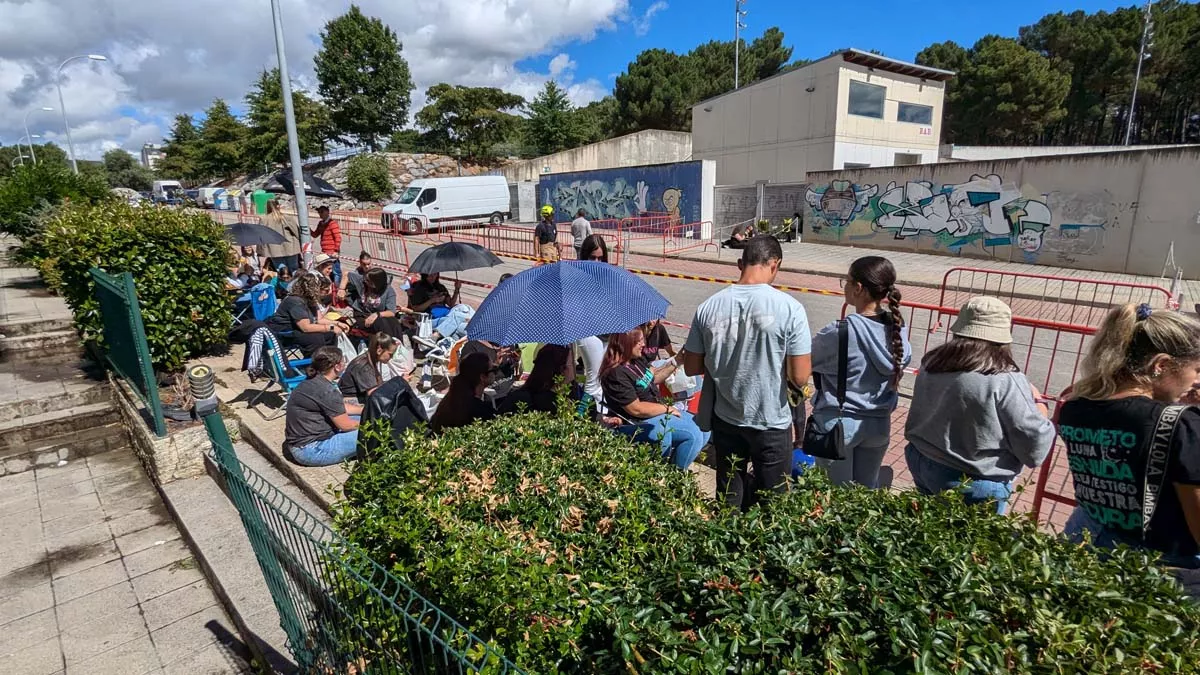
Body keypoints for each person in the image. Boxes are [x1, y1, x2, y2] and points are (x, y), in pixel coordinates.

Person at [1059, 303, 1200, 567]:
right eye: (1197, 370)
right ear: (1161, 364)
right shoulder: (1182, 426)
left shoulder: (1074, 407)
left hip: (1084, 542)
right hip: (1156, 564)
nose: (1196, 381)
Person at [683, 235, 811, 510]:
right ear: (775, 264)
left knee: (729, 498)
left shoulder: (708, 307)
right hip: (771, 423)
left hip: (726, 419)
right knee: (773, 507)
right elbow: (800, 377)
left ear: (741, 263)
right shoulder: (791, 309)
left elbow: (692, 367)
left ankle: (726, 550)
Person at [904, 296, 1056, 514]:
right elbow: (1034, 446)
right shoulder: (1003, 378)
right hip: (972, 479)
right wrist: (1040, 405)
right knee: (973, 544)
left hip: (924, 461)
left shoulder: (933, 361)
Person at [810, 257, 911, 487]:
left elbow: (807, 362)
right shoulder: (898, 331)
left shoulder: (839, 332)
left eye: (845, 281)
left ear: (858, 288)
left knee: (836, 500)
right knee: (864, 497)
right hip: (878, 426)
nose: (844, 286)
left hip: (838, 424)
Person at [602, 328, 708, 470]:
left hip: (656, 412)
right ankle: (673, 477)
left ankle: (676, 465)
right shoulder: (616, 373)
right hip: (637, 420)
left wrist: (677, 361)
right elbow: (636, 409)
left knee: (704, 428)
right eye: (638, 341)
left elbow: (653, 378)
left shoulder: (635, 360)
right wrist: (667, 409)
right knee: (693, 435)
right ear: (625, 343)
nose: (643, 344)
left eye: (642, 340)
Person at [284, 346, 363, 467]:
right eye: (343, 360)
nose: (345, 363)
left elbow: (340, 408)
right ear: (337, 366)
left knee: (364, 419)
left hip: (301, 443)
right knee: (377, 430)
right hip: (311, 449)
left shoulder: (313, 380)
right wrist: (372, 422)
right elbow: (346, 425)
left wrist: (365, 409)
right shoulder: (326, 391)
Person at [265, 273, 344, 356]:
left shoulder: (310, 300)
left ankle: (329, 360)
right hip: (284, 332)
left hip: (296, 330)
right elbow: (306, 328)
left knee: (330, 334)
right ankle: (313, 365)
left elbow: (319, 320)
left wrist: (337, 324)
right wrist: (330, 327)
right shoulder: (295, 301)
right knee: (316, 338)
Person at [430, 352, 497, 433]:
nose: (495, 373)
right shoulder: (481, 411)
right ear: (482, 377)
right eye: (493, 370)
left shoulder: (450, 400)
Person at [500, 344, 575, 415]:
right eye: (573, 363)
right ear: (562, 370)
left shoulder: (518, 395)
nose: (576, 365)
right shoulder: (552, 404)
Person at [340, 332, 400, 405]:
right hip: (351, 400)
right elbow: (374, 394)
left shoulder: (370, 359)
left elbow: (378, 383)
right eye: (390, 354)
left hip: (359, 396)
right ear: (379, 351)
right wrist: (397, 385)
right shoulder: (364, 366)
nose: (391, 357)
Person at [349, 267, 408, 339]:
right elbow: (347, 274)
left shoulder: (388, 290)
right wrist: (341, 289)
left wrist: (376, 314)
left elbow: (391, 312)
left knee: (394, 322)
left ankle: (397, 344)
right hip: (361, 314)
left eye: (368, 281)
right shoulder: (362, 282)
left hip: (378, 316)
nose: (365, 281)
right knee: (380, 323)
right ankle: (388, 344)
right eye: (365, 279)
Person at [261, 200, 301, 272]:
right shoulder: (287, 217)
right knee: (294, 269)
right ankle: (295, 283)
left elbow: (261, 235)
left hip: (274, 249)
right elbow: (296, 231)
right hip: (290, 247)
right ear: (278, 206)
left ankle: (284, 283)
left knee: (281, 271)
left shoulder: (264, 220)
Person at [312, 206, 343, 285]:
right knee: (328, 271)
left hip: (332, 252)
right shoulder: (321, 223)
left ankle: (337, 288)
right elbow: (315, 234)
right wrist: (308, 230)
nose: (320, 214)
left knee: (336, 271)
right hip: (325, 251)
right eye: (319, 212)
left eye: (322, 212)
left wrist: (336, 250)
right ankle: (332, 287)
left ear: (327, 212)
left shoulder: (332, 223)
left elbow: (338, 238)